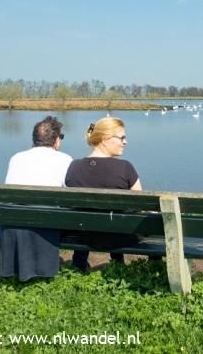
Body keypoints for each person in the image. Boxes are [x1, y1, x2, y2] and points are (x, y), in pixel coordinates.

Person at [65, 116, 155, 271]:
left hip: (82, 236)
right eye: (122, 138)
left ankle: (79, 264)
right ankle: (154, 266)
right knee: (153, 219)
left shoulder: (74, 167)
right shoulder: (125, 168)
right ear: (105, 139)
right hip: (120, 237)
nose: (125, 142)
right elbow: (141, 207)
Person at [0, 115, 72, 281]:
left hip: (13, 220)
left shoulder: (16, 157)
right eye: (61, 137)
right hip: (46, 221)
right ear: (55, 140)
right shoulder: (65, 159)